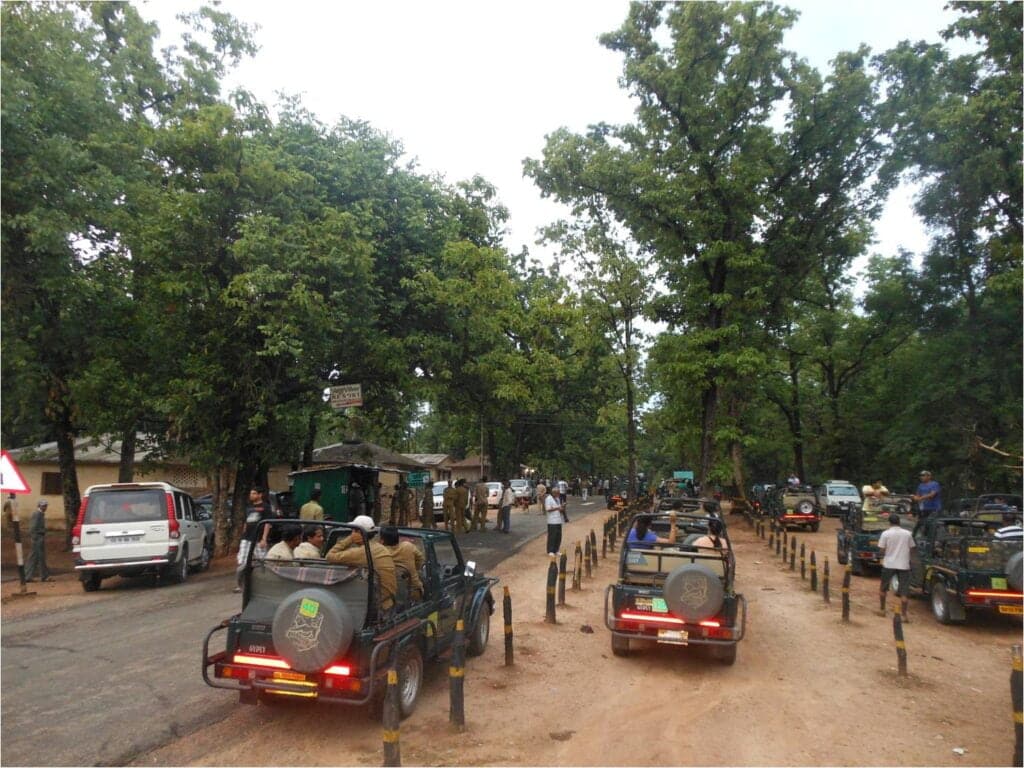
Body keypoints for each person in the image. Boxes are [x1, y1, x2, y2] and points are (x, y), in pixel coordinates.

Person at [326, 515, 397, 612]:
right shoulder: (377, 547)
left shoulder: (364, 551)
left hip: (377, 604)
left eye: (353, 531)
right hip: (386, 600)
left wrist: (350, 539)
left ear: (359, 532)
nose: (351, 534)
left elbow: (330, 556)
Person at [877, 513, 915, 620]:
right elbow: (912, 548)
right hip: (904, 565)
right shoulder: (907, 534)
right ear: (899, 522)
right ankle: (904, 615)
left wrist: (882, 555)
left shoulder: (885, 534)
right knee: (904, 591)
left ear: (889, 522)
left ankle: (882, 609)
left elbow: (882, 549)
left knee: (883, 588)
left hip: (889, 564)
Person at [235, 486, 272, 593]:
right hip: (246, 538)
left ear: (260, 495)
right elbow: (246, 522)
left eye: (254, 493)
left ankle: (266, 583)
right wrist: (243, 535)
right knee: (242, 562)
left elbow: (267, 523)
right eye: (251, 493)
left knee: (263, 561)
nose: (251, 495)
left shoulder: (266, 507)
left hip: (259, 539)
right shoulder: (248, 507)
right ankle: (240, 585)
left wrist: (264, 539)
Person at [380, 525, 425, 601]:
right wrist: (414, 570)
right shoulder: (408, 546)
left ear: (382, 540)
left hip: (390, 594)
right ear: (397, 536)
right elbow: (421, 559)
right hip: (413, 591)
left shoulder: (381, 552)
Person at [24, 499, 51, 582]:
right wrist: (37, 537)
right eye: (43, 506)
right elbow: (33, 528)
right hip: (37, 539)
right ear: (39, 506)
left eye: (45, 506)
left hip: (38, 538)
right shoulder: (37, 514)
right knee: (38, 558)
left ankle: (29, 576)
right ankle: (43, 576)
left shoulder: (41, 514)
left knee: (35, 558)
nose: (45, 507)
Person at [544, 486, 566, 556]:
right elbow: (548, 509)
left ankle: (556, 550)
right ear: (553, 493)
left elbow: (559, 509)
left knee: (558, 536)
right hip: (552, 521)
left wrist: (562, 507)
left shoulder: (557, 499)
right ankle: (550, 550)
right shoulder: (548, 499)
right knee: (552, 536)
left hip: (558, 520)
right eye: (557, 493)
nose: (559, 494)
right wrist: (558, 507)